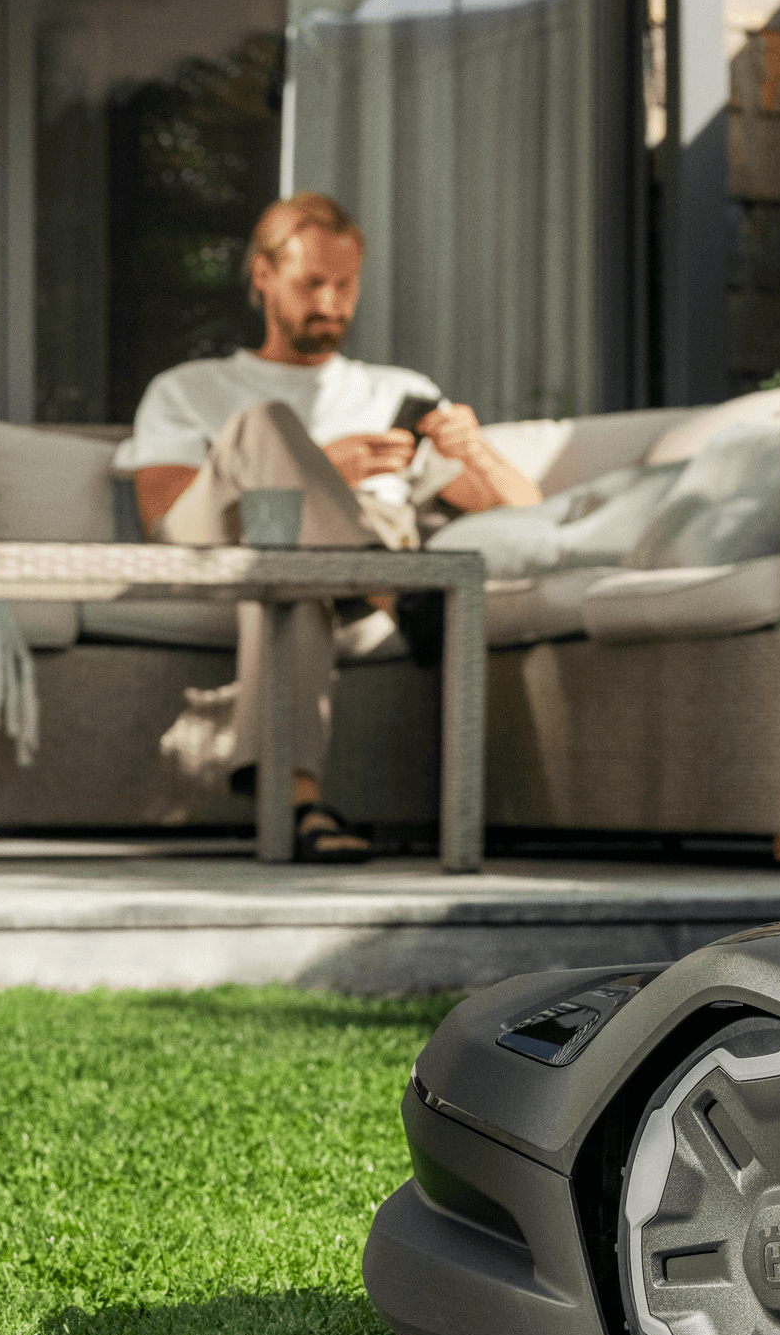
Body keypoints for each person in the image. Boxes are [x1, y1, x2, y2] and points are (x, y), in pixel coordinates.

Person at [116, 192, 539, 860]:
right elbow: (163, 514)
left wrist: (476, 449)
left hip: (303, 574)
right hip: (215, 552)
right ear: (262, 275)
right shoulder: (190, 387)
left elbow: (532, 519)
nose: (331, 303)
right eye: (312, 283)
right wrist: (320, 469)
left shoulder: (393, 390)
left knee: (291, 572)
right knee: (265, 428)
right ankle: (396, 590)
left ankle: (300, 809)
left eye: (345, 285)